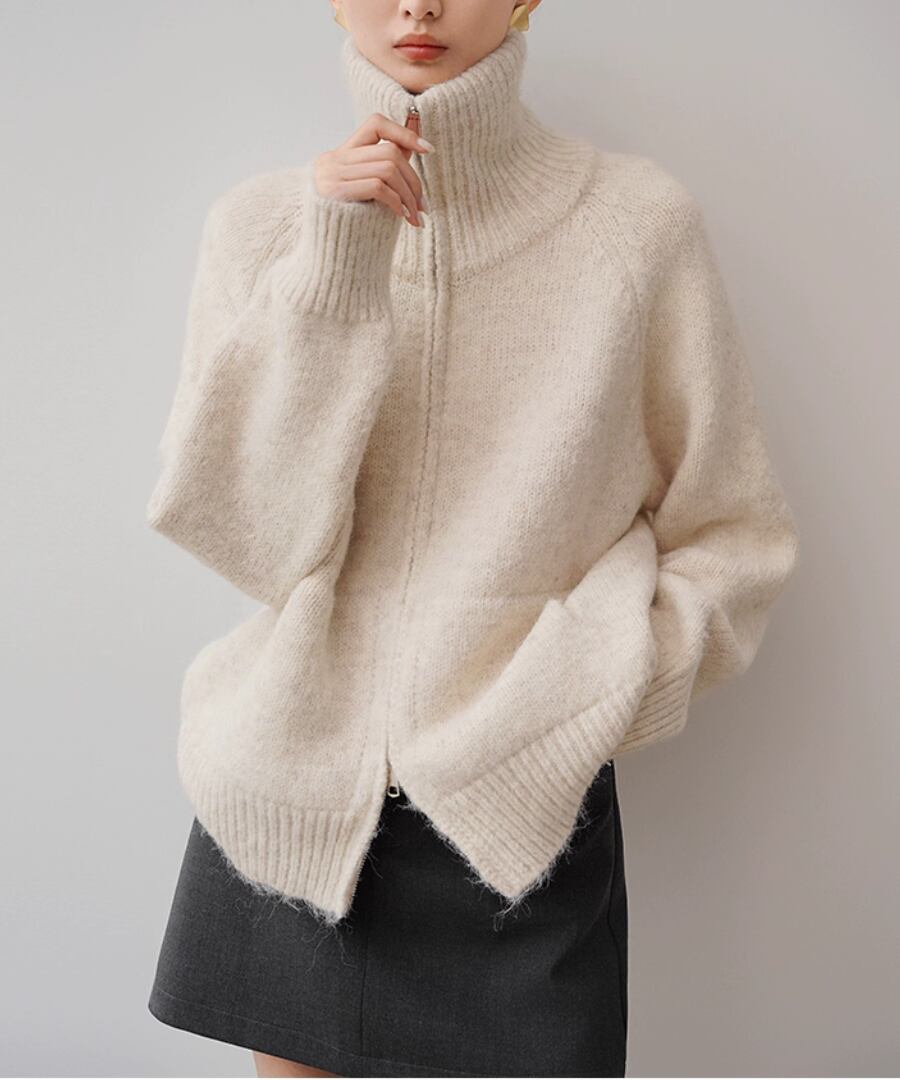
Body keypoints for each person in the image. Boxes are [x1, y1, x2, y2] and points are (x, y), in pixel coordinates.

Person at [145, 1, 800, 1077]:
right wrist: (331, 264)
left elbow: (733, 535)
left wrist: (583, 700)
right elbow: (250, 540)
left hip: (522, 812)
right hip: (292, 801)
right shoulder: (261, 230)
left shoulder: (638, 228)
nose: (418, 5)